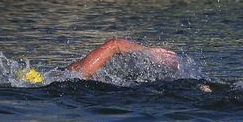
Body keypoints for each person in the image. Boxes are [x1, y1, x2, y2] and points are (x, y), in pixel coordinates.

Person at [20, 37, 179, 84]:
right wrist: (149, 53)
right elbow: (114, 44)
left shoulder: (76, 73)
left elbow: (115, 45)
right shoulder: (81, 73)